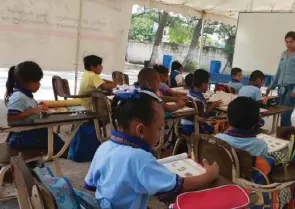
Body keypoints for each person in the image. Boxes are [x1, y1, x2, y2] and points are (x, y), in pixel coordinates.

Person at [84, 91, 219, 209]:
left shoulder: (104, 147)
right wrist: (209, 175)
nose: (161, 132)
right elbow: (177, 186)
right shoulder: (139, 158)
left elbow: (90, 185)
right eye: (159, 128)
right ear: (141, 130)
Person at [5, 61, 64, 153]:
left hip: (30, 132)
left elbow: (28, 109)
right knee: (58, 146)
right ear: (25, 81)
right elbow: (11, 118)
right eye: (36, 81)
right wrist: (32, 111)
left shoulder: (26, 95)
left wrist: (38, 108)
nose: (39, 84)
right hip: (22, 137)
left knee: (55, 140)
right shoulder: (19, 97)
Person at [266, 31, 295, 126]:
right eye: (287, 42)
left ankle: (286, 136)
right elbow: (279, 71)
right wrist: (271, 86)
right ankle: (284, 135)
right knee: (281, 113)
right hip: (281, 88)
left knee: (285, 114)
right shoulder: (284, 54)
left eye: (291, 42)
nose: (288, 44)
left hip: (292, 89)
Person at [181, 69, 222, 134]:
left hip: (183, 125)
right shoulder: (199, 101)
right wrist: (212, 106)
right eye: (208, 83)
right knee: (218, 127)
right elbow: (201, 118)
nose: (208, 86)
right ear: (203, 84)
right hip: (195, 127)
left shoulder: (190, 94)